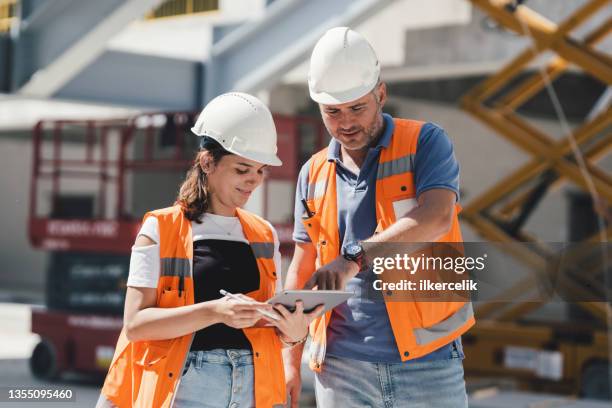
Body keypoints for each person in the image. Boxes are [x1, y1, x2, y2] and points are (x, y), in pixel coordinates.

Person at [282, 27, 475, 407]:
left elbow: (435, 218)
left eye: (357, 107)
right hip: (340, 367)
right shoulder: (313, 173)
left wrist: (353, 258)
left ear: (381, 94)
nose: (346, 122)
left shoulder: (425, 143)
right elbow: (303, 266)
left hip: (429, 359)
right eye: (332, 112)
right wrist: (289, 361)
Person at [97, 92, 323, 408]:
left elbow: (268, 329)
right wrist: (215, 311)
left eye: (259, 171)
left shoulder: (263, 234)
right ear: (208, 162)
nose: (253, 181)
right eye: (242, 169)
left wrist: (293, 332)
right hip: (187, 387)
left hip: (253, 388)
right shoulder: (160, 228)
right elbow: (135, 325)